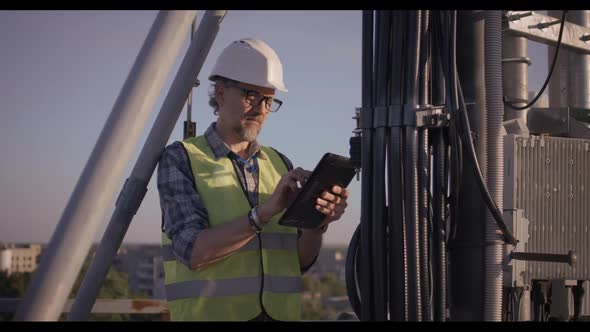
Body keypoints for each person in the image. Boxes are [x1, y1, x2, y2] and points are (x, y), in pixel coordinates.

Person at [157, 38, 350, 321]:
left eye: (269, 100)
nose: (260, 110)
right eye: (251, 95)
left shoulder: (279, 163)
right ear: (220, 93)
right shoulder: (182, 158)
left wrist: (316, 224)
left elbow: (296, 262)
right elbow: (193, 252)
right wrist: (263, 213)